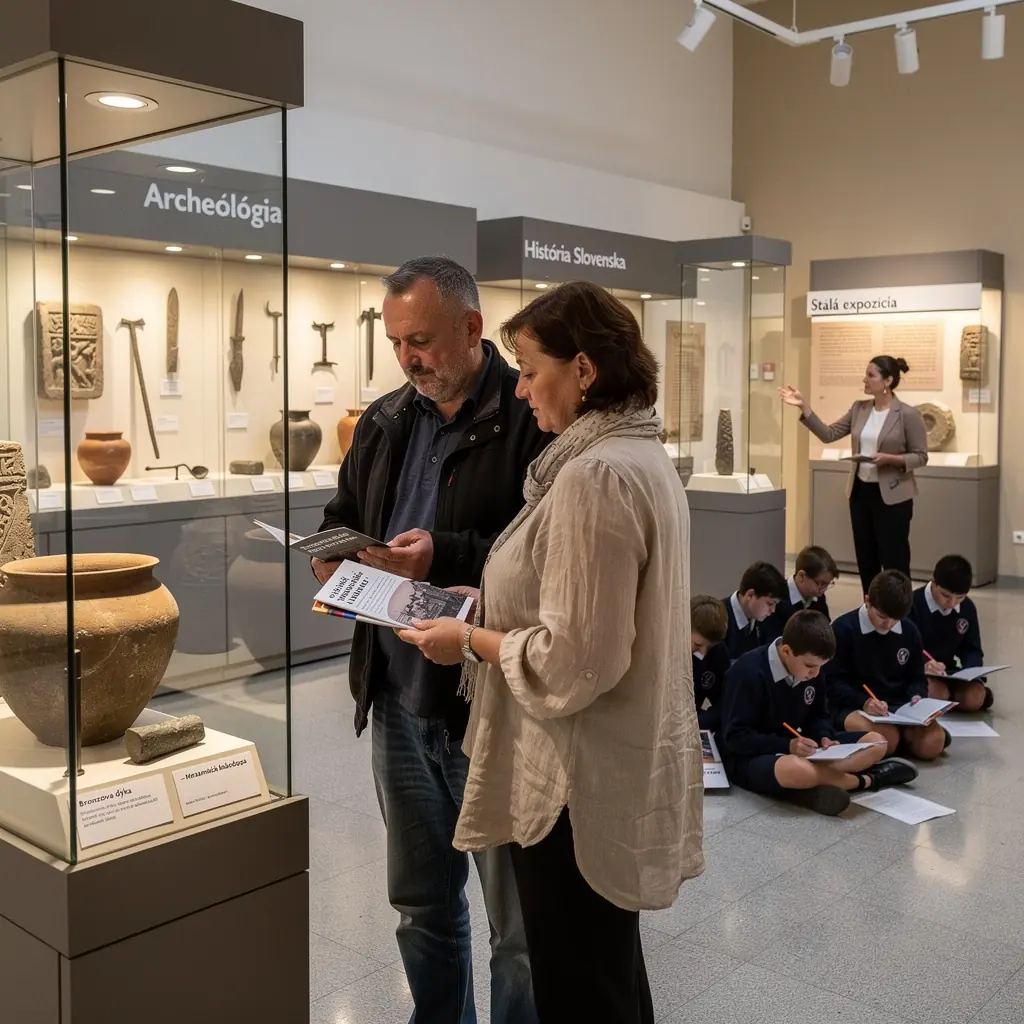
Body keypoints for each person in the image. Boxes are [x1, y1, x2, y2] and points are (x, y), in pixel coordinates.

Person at [398, 281, 703, 1024]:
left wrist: (468, 639)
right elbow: (585, 613)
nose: (524, 390)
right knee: (607, 976)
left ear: (585, 371)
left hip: (575, 783)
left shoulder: (594, 476)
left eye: (532, 370)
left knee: (581, 989)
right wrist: (489, 604)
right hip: (605, 764)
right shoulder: (632, 454)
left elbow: (575, 661)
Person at [313, 255, 550, 1024]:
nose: (408, 358)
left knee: (516, 933)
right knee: (421, 904)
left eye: (421, 340)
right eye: (396, 343)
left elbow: (543, 561)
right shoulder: (385, 420)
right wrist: (332, 552)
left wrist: (441, 554)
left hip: (486, 708)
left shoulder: (532, 420)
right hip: (399, 702)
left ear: (473, 329)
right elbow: (341, 512)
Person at [719, 610, 917, 816]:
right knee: (798, 770)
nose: (815, 674)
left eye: (821, 667)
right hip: (754, 756)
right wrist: (787, 745)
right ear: (786, 651)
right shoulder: (748, 672)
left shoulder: (812, 668)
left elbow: (819, 714)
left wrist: (825, 736)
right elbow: (735, 737)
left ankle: (814, 784)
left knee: (877, 742)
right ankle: (868, 780)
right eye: (810, 666)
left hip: (802, 746)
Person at [780, 355, 928, 594]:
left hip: (893, 497)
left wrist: (890, 459)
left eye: (871, 375)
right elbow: (829, 434)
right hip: (861, 493)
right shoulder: (860, 408)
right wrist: (804, 407)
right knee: (866, 557)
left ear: (888, 380)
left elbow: (921, 456)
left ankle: (899, 613)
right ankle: (870, 607)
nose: (865, 379)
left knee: (895, 560)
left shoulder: (908, 415)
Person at [828, 569, 947, 761]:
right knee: (887, 740)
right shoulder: (844, 629)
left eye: (895, 619)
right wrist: (863, 701)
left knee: (933, 744)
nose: (888, 624)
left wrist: (916, 697)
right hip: (853, 706)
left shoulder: (909, 631)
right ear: (867, 601)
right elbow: (831, 682)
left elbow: (916, 677)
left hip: (896, 707)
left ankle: (904, 739)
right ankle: (900, 741)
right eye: (882, 616)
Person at [910, 554, 991, 712]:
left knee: (974, 697)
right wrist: (924, 663)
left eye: (960, 597)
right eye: (946, 596)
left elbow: (971, 648)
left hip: (948, 671)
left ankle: (953, 696)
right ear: (933, 581)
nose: (952, 603)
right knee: (937, 694)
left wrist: (972, 672)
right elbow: (902, 647)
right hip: (919, 671)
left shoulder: (967, 608)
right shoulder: (913, 604)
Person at [764, 545, 838, 642]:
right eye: (821, 583)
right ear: (802, 576)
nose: (824, 589)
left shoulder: (818, 599)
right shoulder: (777, 600)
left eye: (828, 584)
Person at [723, 561, 788, 660]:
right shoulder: (718, 618)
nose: (773, 610)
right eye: (770, 604)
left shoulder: (766, 620)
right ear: (750, 595)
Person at [691, 595, 730, 732]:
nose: (703, 653)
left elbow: (723, 702)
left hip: (692, 723)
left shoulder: (718, 653)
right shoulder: (663, 651)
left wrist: (698, 722)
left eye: (710, 646)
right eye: (697, 644)